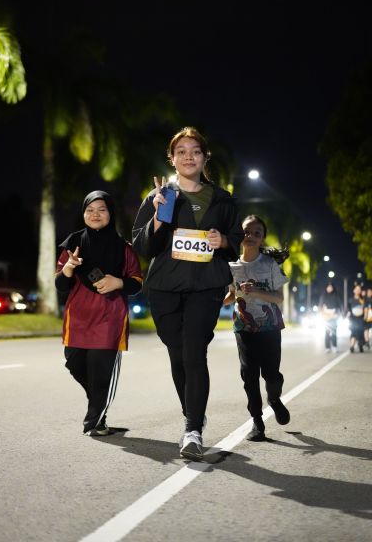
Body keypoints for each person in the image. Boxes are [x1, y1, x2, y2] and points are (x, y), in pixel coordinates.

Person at [132, 126, 243, 460]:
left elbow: (237, 241)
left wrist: (223, 241)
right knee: (177, 354)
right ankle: (192, 412)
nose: (188, 157)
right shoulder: (159, 195)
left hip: (205, 286)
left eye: (195, 151)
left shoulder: (223, 200)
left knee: (194, 353)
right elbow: (143, 245)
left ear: (205, 157)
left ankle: (192, 429)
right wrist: (157, 216)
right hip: (165, 286)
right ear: (172, 158)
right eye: (181, 151)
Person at [55, 190, 143, 436]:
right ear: (83, 213)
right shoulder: (72, 245)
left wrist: (118, 282)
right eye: (90, 210)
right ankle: (97, 399)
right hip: (78, 318)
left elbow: (137, 282)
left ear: (110, 214)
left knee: (101, 372)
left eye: (101, 210)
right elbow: (60, 285)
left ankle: (95, 420)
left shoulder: (123, 248)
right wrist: (69, 268)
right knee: (74, 363)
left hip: (109, 318)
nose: (95, 214)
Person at [224, 214, 290, 442]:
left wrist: (255, 291)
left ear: (262, 238)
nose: (250, 236)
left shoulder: (269, 265)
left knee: (271, 374)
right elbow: (231, 296)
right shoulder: (232, 266)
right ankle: (257, 422)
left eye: (256, 233)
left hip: (270, 327)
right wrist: (218, 301)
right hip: (243, 327)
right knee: (249, 375)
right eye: (246, 232)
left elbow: (279, 298)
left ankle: (274, 399)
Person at [318, 283, 342, 353]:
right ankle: (327, 347)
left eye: (331, 287)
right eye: (328, 287)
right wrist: (322, 313)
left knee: (334, 332)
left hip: (334, 316)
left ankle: (334, 346)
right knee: (327, 332)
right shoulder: (323, 296)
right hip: (326, 317)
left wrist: (338, 313)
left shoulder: (336, 295)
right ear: (326, 288)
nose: (329, 288)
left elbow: (340, 305)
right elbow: (320, 305)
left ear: (333, 288)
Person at [347, 283, 365, 353]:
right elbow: (348, 309)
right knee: (353, 331)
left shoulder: (362, 299)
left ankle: (360, 345)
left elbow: (365, 308)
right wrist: (348, 315)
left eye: (359, 289)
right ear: (354, 290)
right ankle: (352, 346)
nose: (357, 290)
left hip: (361, 318)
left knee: (360, 332)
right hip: (353, 318)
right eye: (356, 289)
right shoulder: (350, 300)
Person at [363, 284, 372, 350]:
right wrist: (365, 316)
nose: (369, 293)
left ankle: (367, 342)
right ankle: (367, 342)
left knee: (368, 330)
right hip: (367, 317)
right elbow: (364, 308)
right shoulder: (364, 299)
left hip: (370, 316)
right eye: (368, 292)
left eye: (370, 292)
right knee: (366, 329)